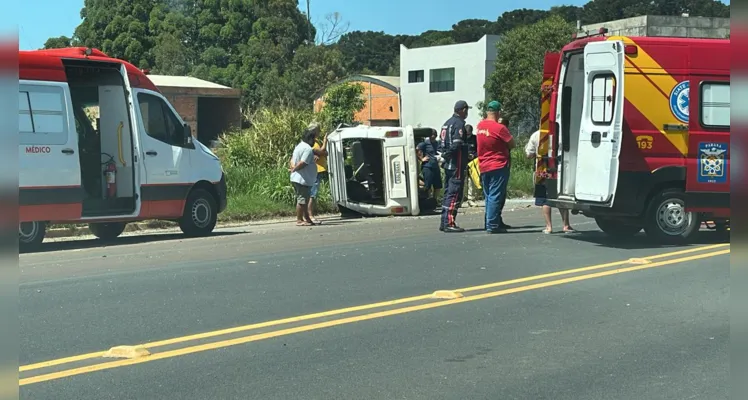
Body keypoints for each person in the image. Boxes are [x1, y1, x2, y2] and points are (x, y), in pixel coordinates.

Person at [476, 100, 515, 234]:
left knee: (488, 195)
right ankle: (492, 224)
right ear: (498, 113)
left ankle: (490, 220)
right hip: (498, 164)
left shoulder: (480, 126)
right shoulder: (499, 128)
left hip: (483, 164)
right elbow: (512, 144)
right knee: (495, 195)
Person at [525, 130, 575, 234]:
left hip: (542, 170)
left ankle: (549, 227)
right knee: (561, 198)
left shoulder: (536, 135)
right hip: (559, 169)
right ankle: (566, 225)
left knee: (544, 199)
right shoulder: (561, 132)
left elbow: (529, 154)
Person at [438, 100, 471, 233]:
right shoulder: (459, 124)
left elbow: (442, 145)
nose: (467, 113)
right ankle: (449, 222)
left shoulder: (446, 123)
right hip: (456, 163)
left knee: (448, 192)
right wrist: (448, 155)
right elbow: (456, 145)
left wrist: (444, 156)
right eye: (466, 110)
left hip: (448, 165)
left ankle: (444, 221)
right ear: (462, 110)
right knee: (454, 193)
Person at [289, 127, 319, 227]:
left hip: (299, 178)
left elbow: (292, 160)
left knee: (304, 200)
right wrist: (295, 169)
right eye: (314, 139)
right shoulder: (307, 149)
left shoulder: (299, 146)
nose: (314, 142)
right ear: (310, 139)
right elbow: (303, 162)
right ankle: (299, 219)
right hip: (302, 179)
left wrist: (293, 167)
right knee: (302, 200)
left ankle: (307, 218)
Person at [308, 122, 328, 224]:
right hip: (316, 170)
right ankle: (310, 215)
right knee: (312, 194)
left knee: (312, 193)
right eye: (319, 130)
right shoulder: (313, 143)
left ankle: (308, 215)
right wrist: (325, 141)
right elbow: (321, 151)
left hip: (317, 170)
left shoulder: (314, 142)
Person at [416, 130, 442, 202]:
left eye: (434, 135)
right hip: (427, 166)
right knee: (428, 185)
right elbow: (417, 150)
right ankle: (428, 200)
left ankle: (435, 201)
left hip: (435, 166)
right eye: (432, 135)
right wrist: (421, 159)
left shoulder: (437, 143)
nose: (433, 136)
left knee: (438, 185)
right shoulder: (424, 143)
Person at [463, 124, 481, 206]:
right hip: (463, 162)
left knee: (471, 181)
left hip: (473, 162)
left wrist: (474, 155)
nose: (468, 136)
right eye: (466, 134)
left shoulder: (475, 139)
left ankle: (471, 199)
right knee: (462, 182)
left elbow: (479, 150)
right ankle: (461, 200)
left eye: (469, 134)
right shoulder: (461, 139)